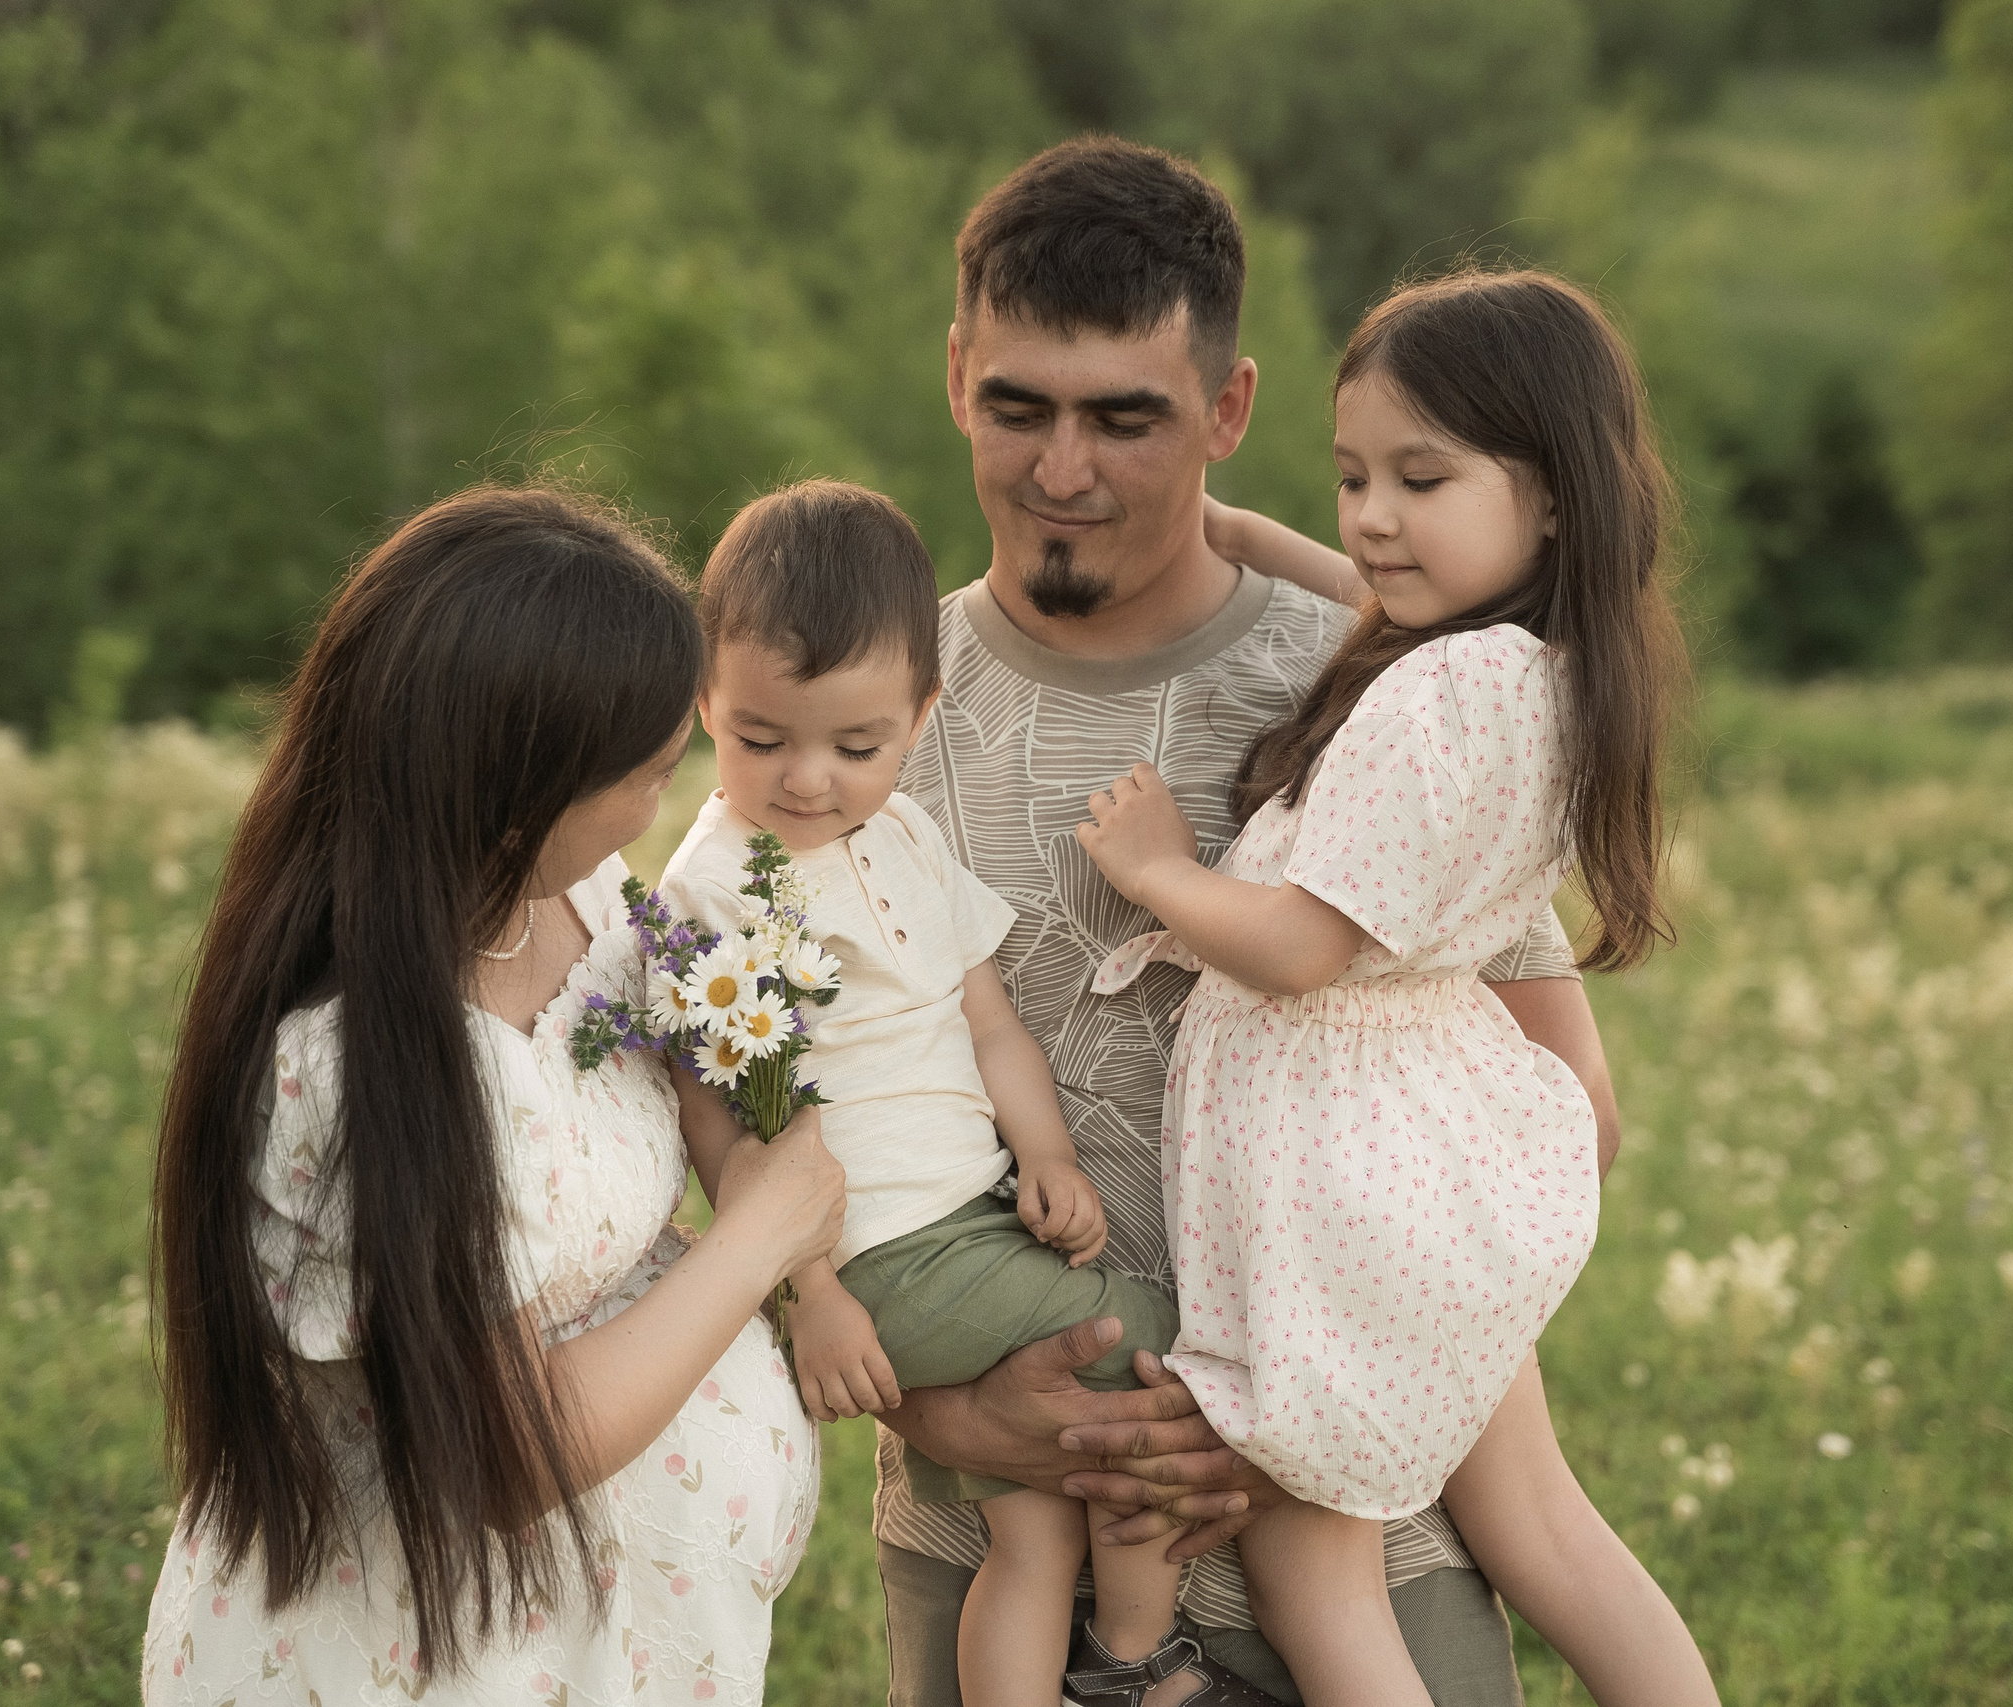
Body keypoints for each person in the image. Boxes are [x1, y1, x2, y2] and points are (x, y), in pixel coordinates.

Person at [874, 137, 1628, 1706]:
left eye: (1124, 417)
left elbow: (1570, 1107)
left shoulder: (1384, 683)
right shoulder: (853, 728)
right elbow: (746, 1128)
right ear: (951, 377)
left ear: (1227, 410)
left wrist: (1310, 1420)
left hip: (1364, 1546)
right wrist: (949, 1410)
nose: (1062, 469)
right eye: (1018, 406)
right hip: (997, 1552)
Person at [1078, 268, 1718, 1705]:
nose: (1372, 518)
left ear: (1551, 496)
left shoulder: (1437, 691)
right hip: (1437, 1159)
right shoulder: (1548, 669)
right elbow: (1387, 600)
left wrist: (1159, 869)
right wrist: (1235, 532)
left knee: (1318, 1577)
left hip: (1341, 1188)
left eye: (1419, 480)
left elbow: (1303, 947)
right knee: (1544, 1526)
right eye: (1352, 475)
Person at [144, 485, 845, 1705]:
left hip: (614, 1644)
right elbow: (506, 1457)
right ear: (517, 795)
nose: (667, 799)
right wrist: (760, 1235)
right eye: (647, 774)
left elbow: (677, 1088)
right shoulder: (360, 1067)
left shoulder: (576, 893)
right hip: (429, 1661)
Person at [660, 479, 1277, 1705]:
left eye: (856, 746)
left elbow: (987, 1020)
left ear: (922, 714)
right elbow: (718, 1122)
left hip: (971, 1227)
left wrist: (1044, 1157)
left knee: (1032, 1535)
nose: (807, 781)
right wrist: (811, 1295)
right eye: (760, 739)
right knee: (1161, 1355)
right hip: (875, 1255)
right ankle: (1140, 1666)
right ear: (705, 704)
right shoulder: (711, 887)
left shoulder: (906, 835)